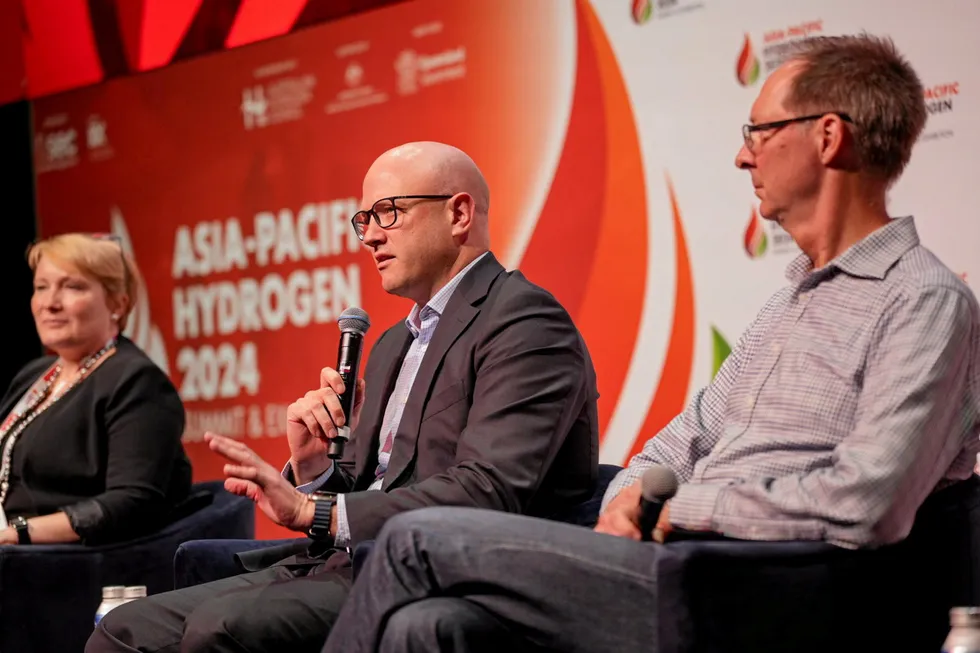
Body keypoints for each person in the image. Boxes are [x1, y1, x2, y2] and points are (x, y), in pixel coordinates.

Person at [318, 34, 980, 653]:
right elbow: (679, 441)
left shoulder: (923, 300)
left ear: (829, 137)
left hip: (769, 590)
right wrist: (627, 499)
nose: (743, 154)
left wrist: (673, 506)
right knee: (428, 624)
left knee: (413, 537)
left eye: (760, 131)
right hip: (680, 564)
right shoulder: (787, 303)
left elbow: (868, 503)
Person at [87, 141, 599, 652]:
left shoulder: (525, 323)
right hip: (345, 564)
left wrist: (318, 513)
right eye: (364, 220)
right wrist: (314, 471)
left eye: (388, 213)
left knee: (220, 630)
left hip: (443, 576)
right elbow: (368, 482)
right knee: (122, 629)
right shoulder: (394, 342)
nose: (370, 236)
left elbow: (488, 492)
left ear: (458, 213)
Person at [0, 233, 191, 546]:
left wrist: (19, 532)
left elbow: (132, 501)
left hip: (70, 562)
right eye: (41, 287)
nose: (50, 303)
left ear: (118, 302)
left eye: (72, 286)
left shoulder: (136, 381)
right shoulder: (34, 375)